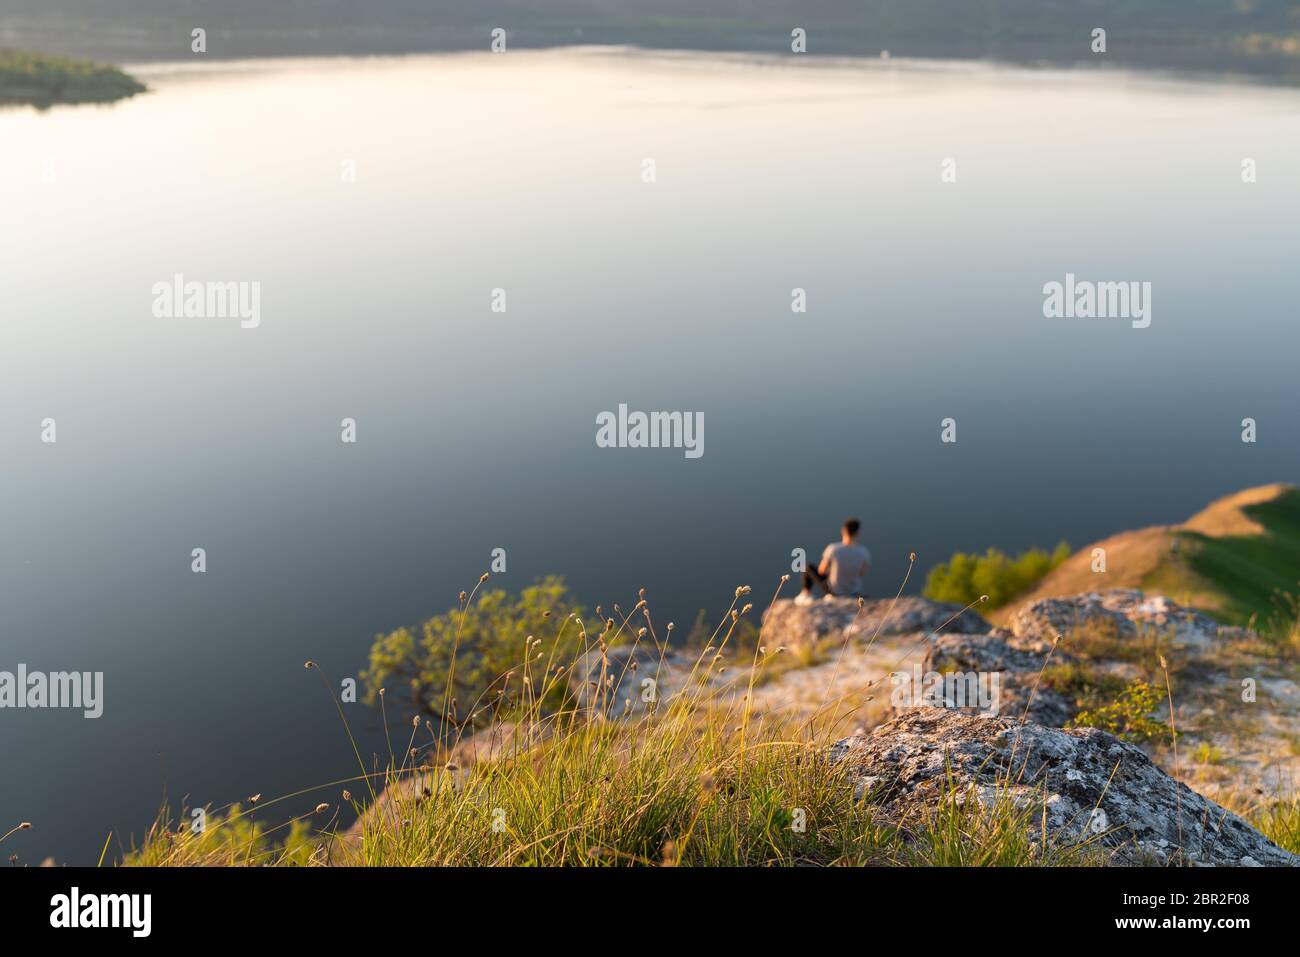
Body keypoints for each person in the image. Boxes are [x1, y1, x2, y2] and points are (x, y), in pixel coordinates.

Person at [798, 518, 871, 601]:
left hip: (835, 591)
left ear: (843, 531)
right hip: (854, 591)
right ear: (857, 533)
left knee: (807, 566)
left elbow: (821, 570)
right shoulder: (864, 552)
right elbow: (861, 573)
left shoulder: (833, 549)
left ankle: (806, 594)